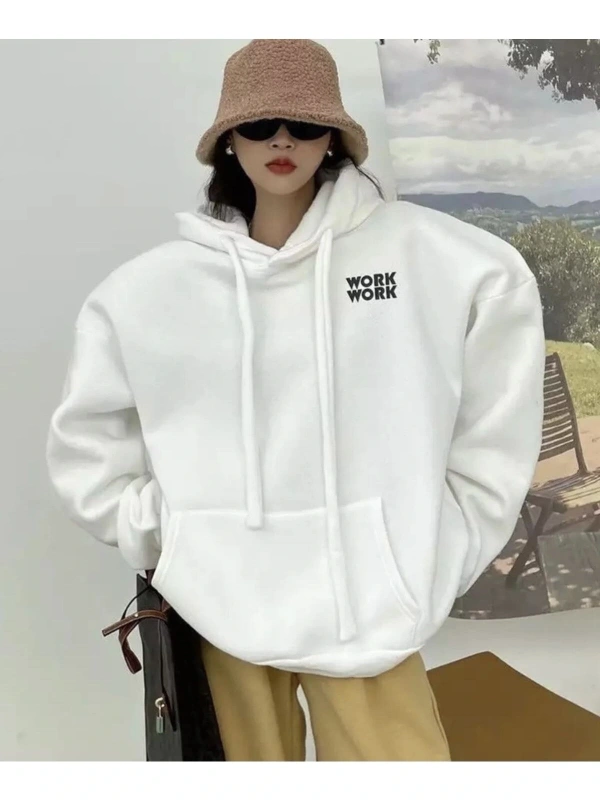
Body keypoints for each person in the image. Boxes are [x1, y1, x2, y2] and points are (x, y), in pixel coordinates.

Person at [45, 39, 546, 761]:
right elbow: (87, 451)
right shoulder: (145, 294)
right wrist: (176, 535)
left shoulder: (440, 259)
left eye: (304, 125)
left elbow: (497, 409)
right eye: (259, 125)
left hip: (371, 615)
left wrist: (441, 539)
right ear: (228, 141)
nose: (282, 141)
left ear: (334, 138)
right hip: (220, 606)